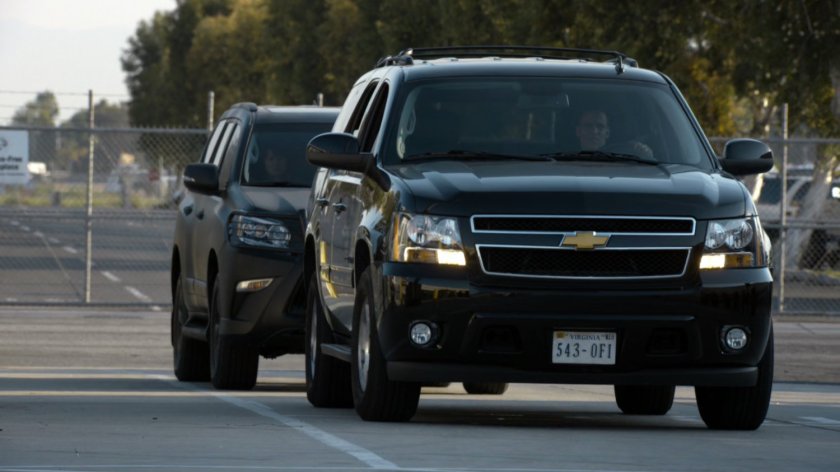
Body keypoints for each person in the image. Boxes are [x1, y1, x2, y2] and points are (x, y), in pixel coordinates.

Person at [575, 109, 653, 159]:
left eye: (600, 127)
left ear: (607, 133)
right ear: (578, 131)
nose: (594, 131)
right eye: (588, 126)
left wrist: (646, 155)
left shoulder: (628, 160)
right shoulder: (564, 160)